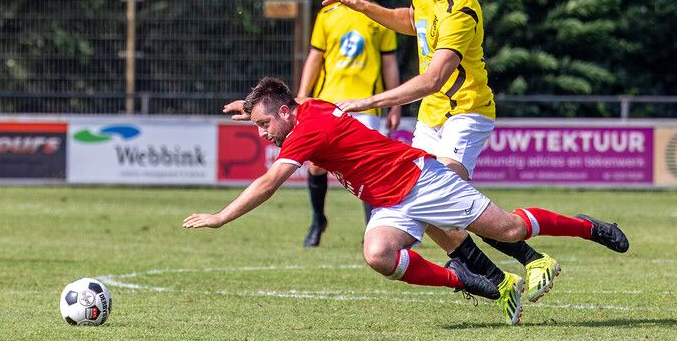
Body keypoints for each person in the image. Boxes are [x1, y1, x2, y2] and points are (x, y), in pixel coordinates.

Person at [184, 78, 629, 315]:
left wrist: (222, 216)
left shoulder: (307, 129)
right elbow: (290, 99)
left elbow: (268, 183)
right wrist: (250, 109)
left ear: (285, 114)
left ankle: (591, 227)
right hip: (391, 202)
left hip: (422, 182)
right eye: (256, 128)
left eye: (265, 126)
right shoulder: (305, 108)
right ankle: (473, 281)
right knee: (377, 254)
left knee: (510, 228)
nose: (263, 135)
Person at [322, 0, 559, 324]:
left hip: (465, 112)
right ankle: (500, 283)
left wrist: (367, 102)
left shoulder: (464, 12)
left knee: (441, 196)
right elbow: (410, 23)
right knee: (424, 199)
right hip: (432, 117)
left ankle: (536, 261)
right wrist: (361, 6)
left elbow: (432, 80)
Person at [296, 0, 401, 247]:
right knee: (316, 164)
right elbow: (315, 58)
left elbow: (389, 63)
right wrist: (303, 95)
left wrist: (394, 103)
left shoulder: (381, 17)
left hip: (367, 104)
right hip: (329, 102)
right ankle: (318, 220)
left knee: (368, 169)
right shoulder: (327, 13)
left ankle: (373, 229)